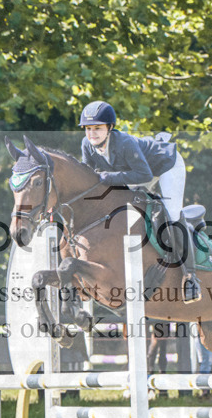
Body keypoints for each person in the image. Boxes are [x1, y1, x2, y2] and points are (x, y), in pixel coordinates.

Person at [78, 100, 199, 303]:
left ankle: (190, 277)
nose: (92, 134)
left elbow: (144, 175)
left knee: (172, 212)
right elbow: (90, 180)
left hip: (165, 166)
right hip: (134, 173)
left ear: (110, 128)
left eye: (97, 128)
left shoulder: (124, 143)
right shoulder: (87, 146)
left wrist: (110, 177)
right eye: (88, 129)